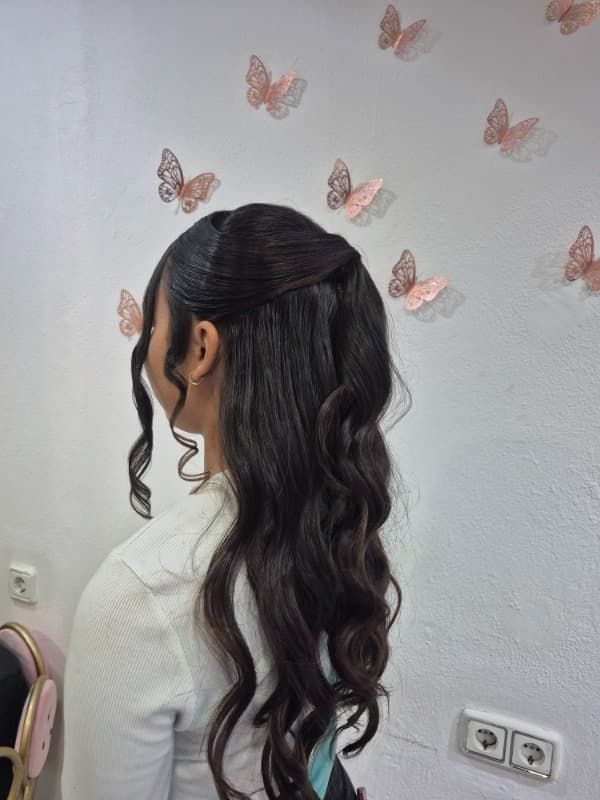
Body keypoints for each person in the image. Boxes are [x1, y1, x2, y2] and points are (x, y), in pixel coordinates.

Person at [61, 203, 407, 800]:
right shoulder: (342, 516)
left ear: (201, 348)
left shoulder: (139, 597)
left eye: (153, 324)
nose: (145, 345)